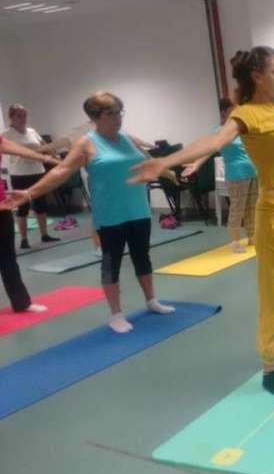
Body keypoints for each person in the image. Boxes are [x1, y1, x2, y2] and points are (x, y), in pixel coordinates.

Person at [129, 47, 274, 398]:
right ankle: (270, 368)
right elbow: (214, 141)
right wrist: (165, 161)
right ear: (257, 76)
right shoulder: (245, 115)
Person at [1, 92, 173, 333]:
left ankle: (151, 300)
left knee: (142, 257)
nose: (118, 118)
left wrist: (169, 172)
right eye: (111, 113)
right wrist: (29, 193)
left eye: (119, 112)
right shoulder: (86, 143)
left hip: (138, 210)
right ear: (95, 116)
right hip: (110, 214)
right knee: (111, 263)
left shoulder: (126, 138)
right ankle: (116, 314)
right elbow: (61, 171)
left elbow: (149, 161)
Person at [182, 97, 258, 253]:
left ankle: (253, 237)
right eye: (234, 108)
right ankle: (235, 242)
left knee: (252, 208)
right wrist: (197, 164)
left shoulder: (241, 128)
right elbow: (210, 149)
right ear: (224, 111)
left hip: (252, 172)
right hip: (237, 175)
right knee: (237, 209)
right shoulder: (220, 131)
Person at [0, 137, 60, 312]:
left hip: (3, 206)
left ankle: (21, 303)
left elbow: (20, 150)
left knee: (8, 258)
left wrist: (47, 159)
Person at [2, 104, 61, 249]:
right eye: (19, 115)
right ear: (11, 117)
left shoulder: (32, 131)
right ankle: (24, 240)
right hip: (20, 174)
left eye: (24, 115)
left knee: (41, 205)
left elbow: (44, 145)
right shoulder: (6, 135)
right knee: (23, 207)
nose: (23, 118)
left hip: (38, 171)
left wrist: (54, 156)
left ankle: (45, 235)